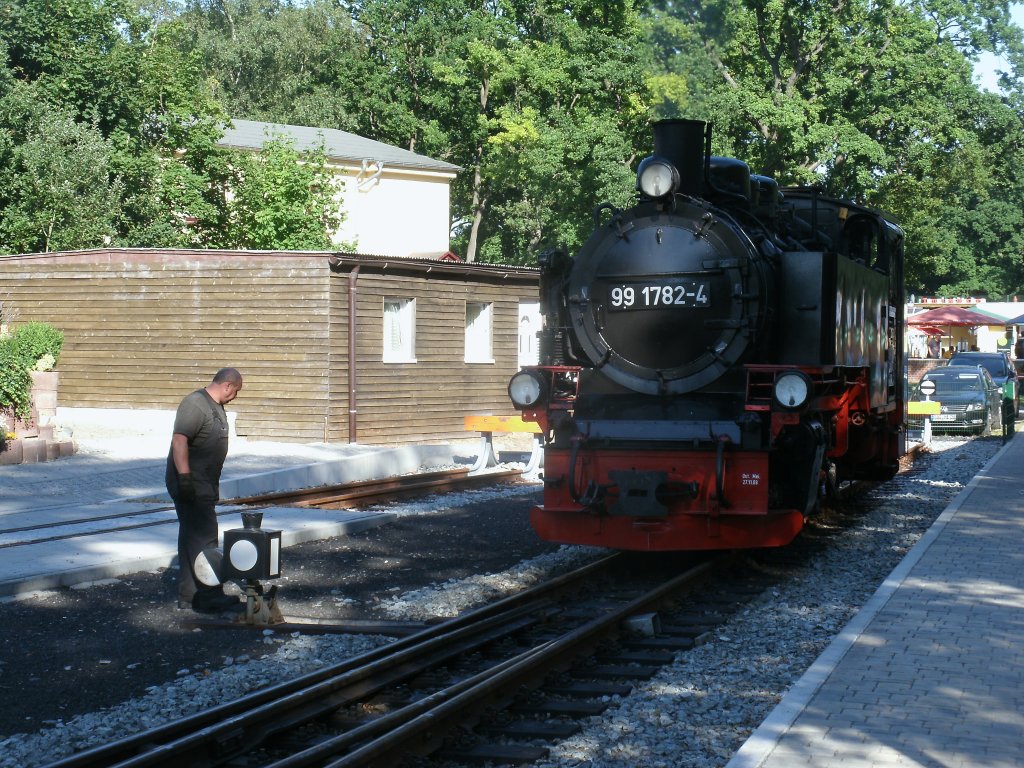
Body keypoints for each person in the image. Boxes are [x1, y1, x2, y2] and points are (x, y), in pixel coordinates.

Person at [166, 368, 244, 612]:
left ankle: (190, 596)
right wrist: (186, 478)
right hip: (192, 483)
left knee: (191, 537)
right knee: (205, 537)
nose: (235, 397)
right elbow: (179, 440)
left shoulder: (214, 406)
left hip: (204, 483)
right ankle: (209, 595)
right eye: (236, 392)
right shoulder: (195, 404)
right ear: (227, 386)